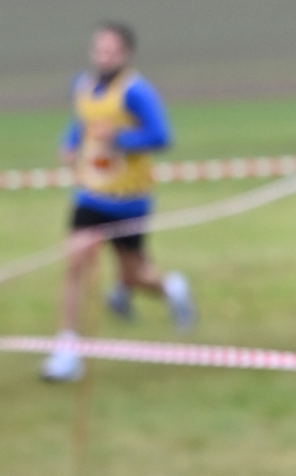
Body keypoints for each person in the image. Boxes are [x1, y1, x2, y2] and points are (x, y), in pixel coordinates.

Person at [42, 21, 195, 384]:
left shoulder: (136, 91)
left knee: (133, 276)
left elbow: (161, 136)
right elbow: (82, 123)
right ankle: (67, 350)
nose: (104, 57)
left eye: (111, 51)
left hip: (129, 200)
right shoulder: (82, 86)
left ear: (125, 54)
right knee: (76, 261)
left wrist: (121, 138)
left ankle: (171, 289)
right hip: (90, 194)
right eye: (99, 50)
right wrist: (69, 144)